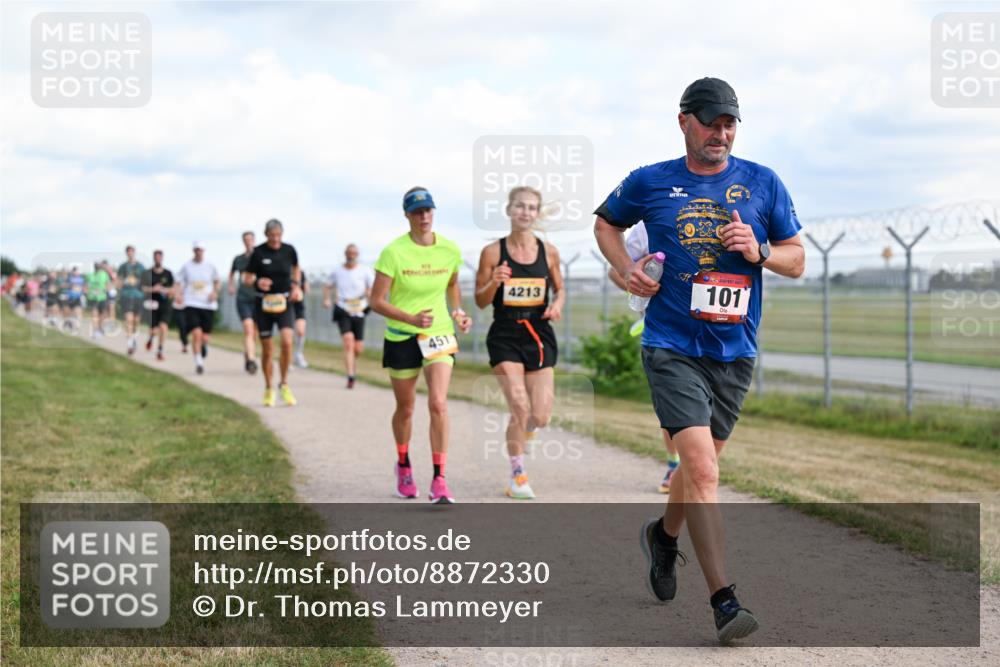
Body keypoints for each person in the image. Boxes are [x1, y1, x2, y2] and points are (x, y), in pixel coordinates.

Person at [594, 77, 805, 642]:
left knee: (697, 470)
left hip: (735, 350)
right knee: (704, 471)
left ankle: (664, 537)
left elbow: (797, 259)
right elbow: (606, 223)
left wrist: (760, 250)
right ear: (684, 121)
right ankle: (724, 602)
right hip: (671, 345)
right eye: (711, 122)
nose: (721, 133)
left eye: (730, 123)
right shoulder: (650, 180)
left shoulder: (763, 182)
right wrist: (626, 269)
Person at [370, 187, 472, 504]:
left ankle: (439, 479)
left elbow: (452, 284)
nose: (424, 216)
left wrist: (458, 312)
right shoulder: (393, 252)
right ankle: (403, 464)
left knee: (438, 403)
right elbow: (376, 301)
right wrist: (409, 318)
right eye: (417, 212)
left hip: (438, 334)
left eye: (428, 210)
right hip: (402, 336)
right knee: (406, 408)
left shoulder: (449, 249)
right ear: (406, 215)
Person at [474, 186, 564, 500]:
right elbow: (480, 300)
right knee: (520, 406)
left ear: (537, 213)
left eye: (531, 207)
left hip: (538, 334)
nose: (525, 212)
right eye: (520, 206)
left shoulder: (549, 252)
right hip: (505, 334)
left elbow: (560, 289)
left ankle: (528, 431)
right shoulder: (492, 253)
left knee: (540, 416)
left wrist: (557, 305)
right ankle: (517, 475)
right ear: (509, 210)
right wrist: (493, 282)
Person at [606, 221, 682, 494]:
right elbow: (615, 271)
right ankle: (675, 464)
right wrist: (639, 287)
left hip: (717, 333)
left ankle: (697, 466)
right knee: (674, 405)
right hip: (666, 333)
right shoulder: (648, 225)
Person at [244, 219, 302, 407]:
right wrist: (257, 282)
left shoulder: (289, 250)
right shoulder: (258, 252)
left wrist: (296, 286)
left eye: (278, 235)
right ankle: (269, 387)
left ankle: (284, 384)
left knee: (287, 342)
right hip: (264, 305)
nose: (276, 239)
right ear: (266, 235)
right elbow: (247, 278)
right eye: (272, 236)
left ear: (282, 234)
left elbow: (296, 269)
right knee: (268, 349)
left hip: (284, 302)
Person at [323, 243, 375, 389]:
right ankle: (351, 375)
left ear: (357, 255)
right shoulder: (337, 271)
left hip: (359, 308)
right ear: (345, 254)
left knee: (358, 348)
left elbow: (372, 287)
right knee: (348, 340)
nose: (351, 256)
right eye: (349, 253)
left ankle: (350, 360)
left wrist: (370, 296)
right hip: (343, 307)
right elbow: (327, 286)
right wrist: (327, 299)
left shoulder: (365, 271)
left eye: (354, 253)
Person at [174, 242, 221, 375]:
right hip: (191, 303)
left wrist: (215, 292)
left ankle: (203, 345)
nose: (199, 252)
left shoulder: (210, 266)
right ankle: (199, 362)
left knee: (205, 337)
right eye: (196, 250)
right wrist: (178, 294)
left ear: (204, 251)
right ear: (193, 251)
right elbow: (178, 282)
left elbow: (217, 281)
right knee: (196, 333)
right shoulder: (186, 266)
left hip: (207, 304)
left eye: (201, 250)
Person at [228, 231, 259, 374]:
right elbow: (231, 273)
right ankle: (252, 360)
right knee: (248, 328)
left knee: (254, 333)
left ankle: (248, 355)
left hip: (258, 298)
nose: (248, 242)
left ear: (254, 240)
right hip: (243, 298)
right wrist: (231, 285)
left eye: (250, 239)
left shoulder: (260, 256)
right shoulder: (238, 259)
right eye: (246, 240)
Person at [142, 250, 174, 361]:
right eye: (156, 257)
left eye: (159, 257)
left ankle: (160, 350)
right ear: (154, 258)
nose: (158, 259)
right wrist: (153, 289)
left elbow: (173, 289)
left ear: (162, 258)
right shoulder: (147, 273)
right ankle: (151, 338)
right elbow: (142, 288)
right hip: (151, 304)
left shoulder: (168, 273)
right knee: (153, 330)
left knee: (163, 327)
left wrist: (164, 290)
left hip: (164, 304)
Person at [117, 246, 146, 355]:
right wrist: (119, 287)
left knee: (136, 321)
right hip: (126, 295)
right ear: (126, 253)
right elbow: (119, 281)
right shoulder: (123, 267)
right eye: (128, 252)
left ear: (134, 252)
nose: (130, 253)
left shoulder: (141, 266)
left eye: (131, 252)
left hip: (138, 296)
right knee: (128, 319)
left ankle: (133, 337)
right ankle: (130, 343)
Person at [85, 262, 112, 338]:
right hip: (92, 298)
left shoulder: (104, 274)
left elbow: (108, 285)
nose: (97, 268)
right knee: (94, 314)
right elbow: (86, 286)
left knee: (102, 314)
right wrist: (88, 292)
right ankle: (95, 330)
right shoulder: (89, 275)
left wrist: (104, 290)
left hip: (102, 297)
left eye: (98, 267)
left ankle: (100, 328)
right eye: (96, 267)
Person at [292, 273, 309, 368]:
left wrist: (300, 287)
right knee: (288, 334)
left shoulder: (301, 273)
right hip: (286, 305)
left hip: (298, 305)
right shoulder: (282, 270)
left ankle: (298, 353)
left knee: (301, 331)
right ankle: (287, 358)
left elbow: (306, 289)